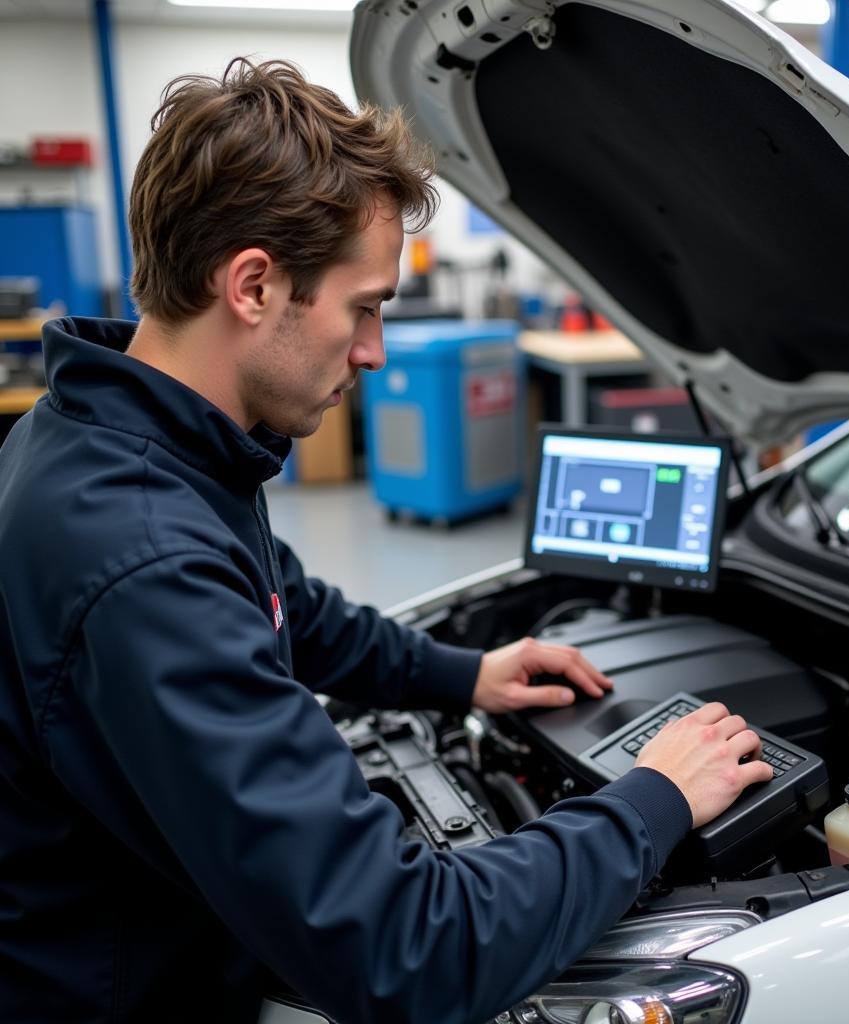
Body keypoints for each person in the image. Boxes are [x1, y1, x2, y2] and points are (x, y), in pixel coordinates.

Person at [0, 58, 772, 1023]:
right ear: (253, 285)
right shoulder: (142, 554)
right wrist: (655, 798)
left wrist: (464, 674)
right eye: (364, 307)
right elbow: (408, 949)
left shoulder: (116, 432)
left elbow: (285, 602)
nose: (373, 351)